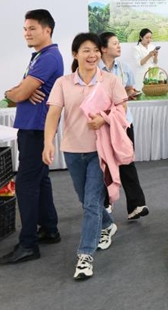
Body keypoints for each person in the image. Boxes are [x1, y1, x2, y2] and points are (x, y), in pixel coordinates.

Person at [44, 33, 129, 280]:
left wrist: (105, 118)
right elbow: (53, 115)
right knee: (85, 200)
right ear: (75, 54)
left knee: (92, 202)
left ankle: (85, 256)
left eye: (95, 50)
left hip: (100, 151)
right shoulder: (63, 83)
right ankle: (107, 224)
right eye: (85, 50)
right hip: (72, 150)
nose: (92, 55)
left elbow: (122, 109)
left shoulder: (110, 81)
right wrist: (48, 142)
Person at [0, 10, 64, 266]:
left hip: (36, 128)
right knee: (40, 180)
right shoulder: (39, 57)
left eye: (32, 28)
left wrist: (19, 91)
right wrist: (16, 91)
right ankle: (49, 229)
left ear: (47, 30)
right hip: (32, 126)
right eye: (25, 29)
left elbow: (21, 93)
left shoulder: (48, 58)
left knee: (25, 183)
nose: (27, 33)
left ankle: (28, 244)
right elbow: (18, 92)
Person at [99, 32, 149, 220]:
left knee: (127, 160)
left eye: (119, 43)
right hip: (103, 122)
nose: (119, 46)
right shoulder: (95, 69)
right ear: (103, 48)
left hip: (123, 121)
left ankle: (136, 205)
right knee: (102, 163)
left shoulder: (125, 68)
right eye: (114, 43)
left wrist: (130, 91)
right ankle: (104, 203)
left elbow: (127, 88)